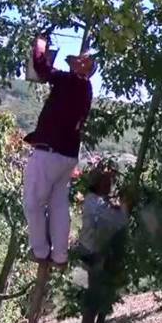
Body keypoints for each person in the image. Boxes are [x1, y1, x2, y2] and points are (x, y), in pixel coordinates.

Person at [23, 35, 95, 270]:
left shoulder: (69, 82)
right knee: (58, 205)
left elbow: (41, 68)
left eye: (80, 61)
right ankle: (60, 256)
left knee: (33, 203)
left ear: (85, 68)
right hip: (67, 155)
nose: (74, 63)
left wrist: (40, 44)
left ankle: (40, 250)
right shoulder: (86, 89)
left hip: (50, 152)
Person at [74, 164, 131, 323]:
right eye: (107, 181)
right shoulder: (94, 202)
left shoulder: (98, 201)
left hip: (94, 250)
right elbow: (117, 219)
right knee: (96, 290)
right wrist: (125, 207)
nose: (110, 185)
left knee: (99, 289)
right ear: (98, 184)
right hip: (91, 251)